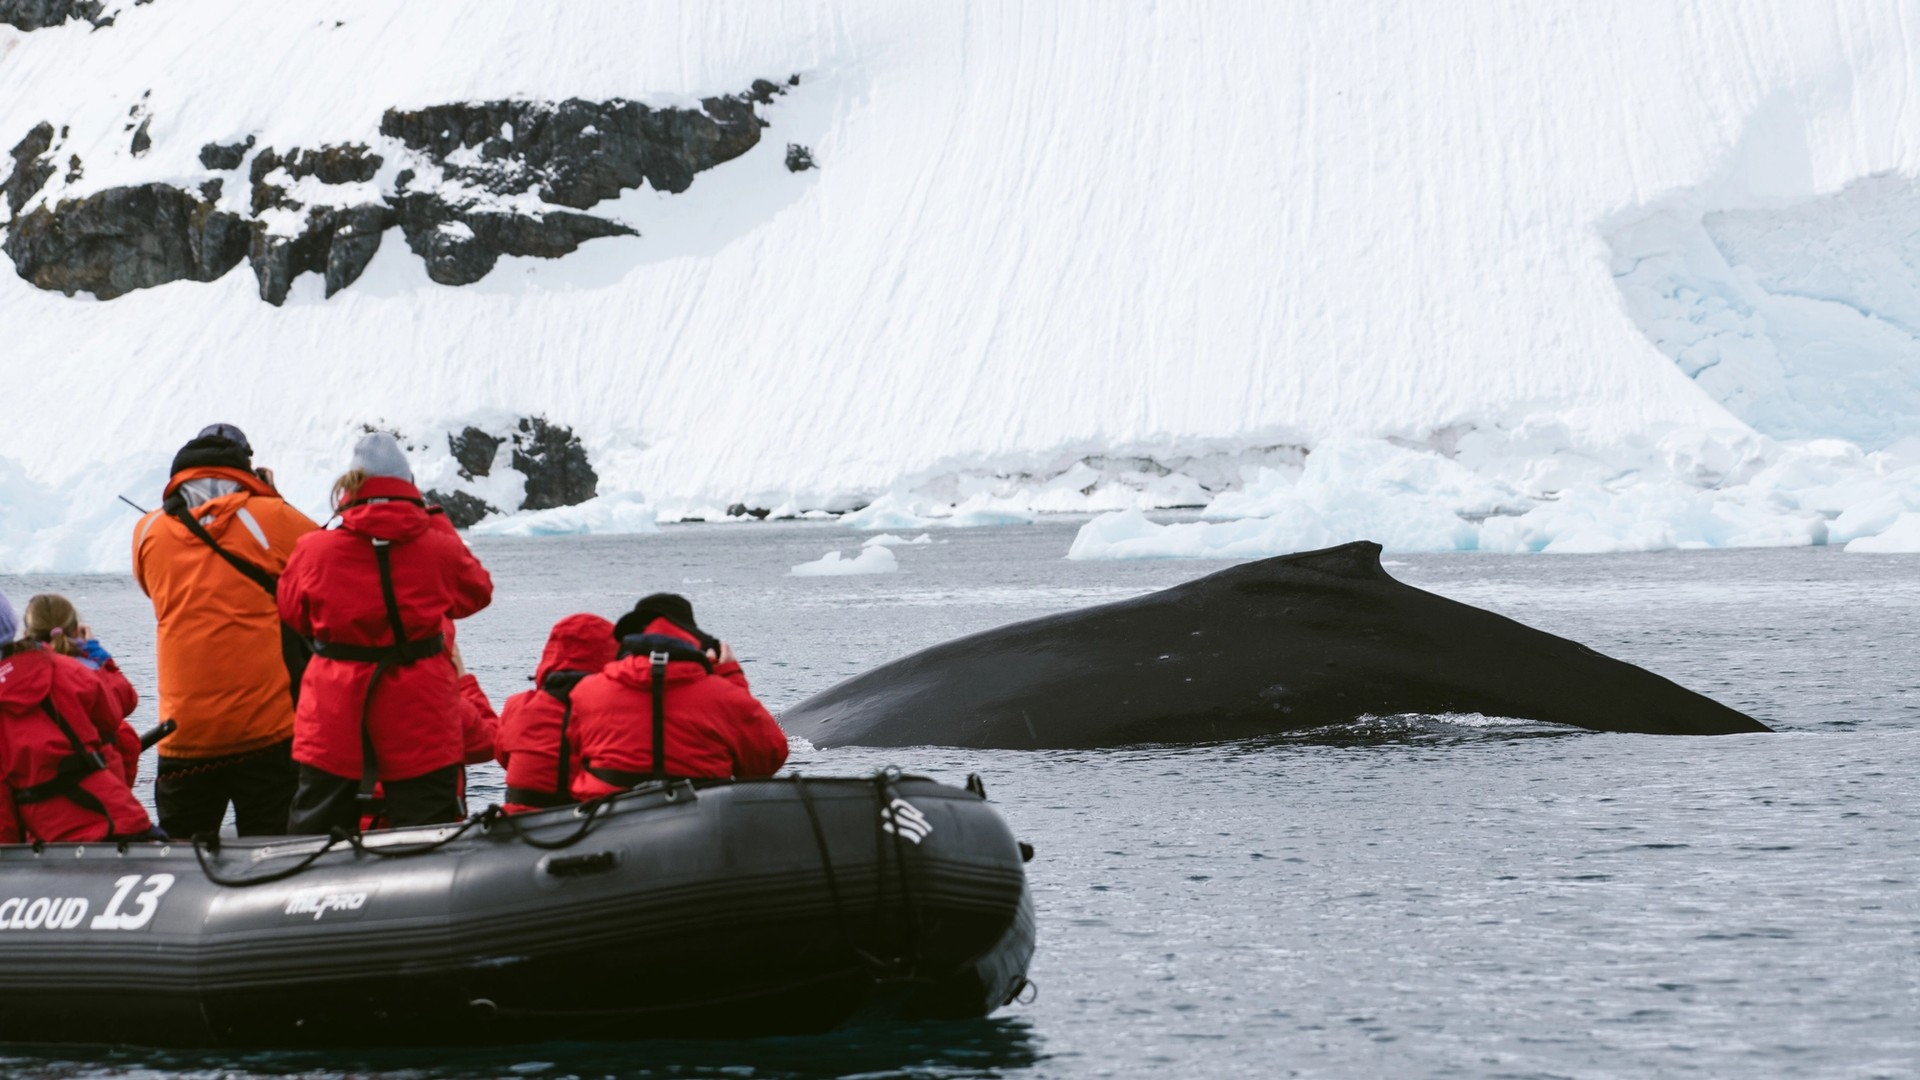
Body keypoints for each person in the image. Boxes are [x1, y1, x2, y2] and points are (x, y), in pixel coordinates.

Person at [278, 432, 493, 834]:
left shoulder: (313, 550)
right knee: (429, 835)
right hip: (422, 715)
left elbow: (293, 614)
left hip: (335, 712)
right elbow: (476, 593)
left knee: (315, 839)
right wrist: (432, 517)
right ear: (408, 485)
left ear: (351, 486)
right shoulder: (437, 547)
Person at [132, 423, 317, 838]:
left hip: (183, 736)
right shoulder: (273, 517)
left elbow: (154, 590)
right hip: (264, 732)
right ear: (245, 468)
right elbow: (326, 562)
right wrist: (273, 497)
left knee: (182, 855)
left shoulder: (147, 531)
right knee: (274, 851)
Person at [569, 594, 787, 799]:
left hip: (605, 826)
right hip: (701, 823)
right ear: (694, 640)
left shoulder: (586, 691)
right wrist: (731, 678)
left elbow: (569, 761)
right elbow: (765, 761)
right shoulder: (724, 695)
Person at [0, 590, 157, 844]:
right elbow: (113, 719)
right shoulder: (70, 669)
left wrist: (10, 859)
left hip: (51, 838)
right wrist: (98, 657)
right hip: (117, 817)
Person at [494, 613, 616, 813]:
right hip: (588, 822)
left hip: (520, 822)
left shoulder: (516, 706)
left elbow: (503, 757)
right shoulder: (611, 710)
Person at [19, 594, 140, 776]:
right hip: (94, 780)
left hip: (35, 780)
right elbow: (125, 701)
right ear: (76, 630)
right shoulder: (89, 669)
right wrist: (96, 654)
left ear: (26, 633)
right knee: (123, 734)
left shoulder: (14, 673)